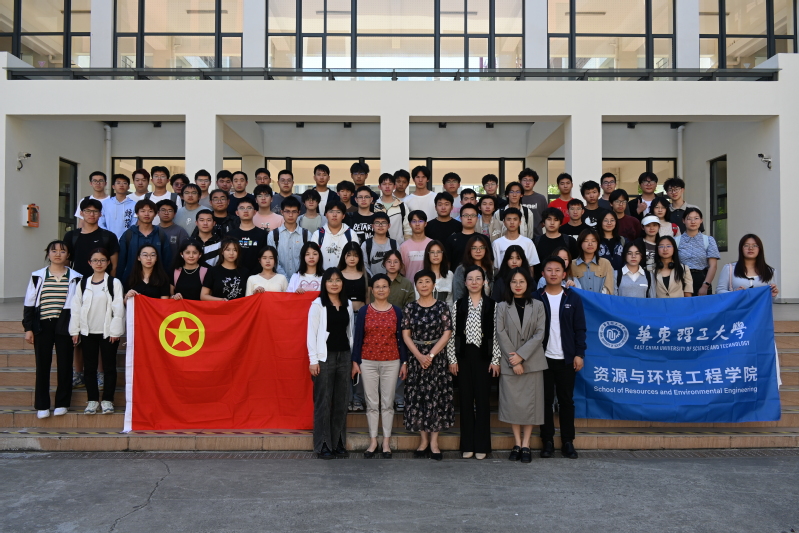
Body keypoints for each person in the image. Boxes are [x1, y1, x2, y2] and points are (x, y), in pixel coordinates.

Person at [533, 256, 586, 460]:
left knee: (566, 401)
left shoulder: (573, 298)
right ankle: (547, 441)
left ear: (564, 274)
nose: (553, 273)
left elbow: (580, 329)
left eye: (557, 270)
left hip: (567, 359)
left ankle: (567, 441)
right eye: (549, 270)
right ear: (543, 274)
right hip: (542, 358)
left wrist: (579, 354)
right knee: (545, 401)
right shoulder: (536, 297)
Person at [351, 274, 408, 459]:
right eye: (377, 286)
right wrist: (355, 361)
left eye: (384, 286)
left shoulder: (397, 312)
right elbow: (358, 338)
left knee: (387, 403)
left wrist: (404, 362)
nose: (381, 289)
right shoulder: (364, 311)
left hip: (391, 362)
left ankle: (386, 443)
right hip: (367, 361)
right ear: (372, 290)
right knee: (372, 403)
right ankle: (373, 441)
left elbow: (402, 340)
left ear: (389, 290)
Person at [24, 240, 82, 419]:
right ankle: (42, 405)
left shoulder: (76, 277)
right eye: (54, 251)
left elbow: (79, 306)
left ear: (68, 255)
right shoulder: (37, 276)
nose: (58, 254)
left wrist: (76, 329)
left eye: (62, 251)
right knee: (42, 365)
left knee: (65, 365)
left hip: (66, 324)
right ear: (48, 254)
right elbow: (29, 302)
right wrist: (28, 328)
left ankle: (62, 403)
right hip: (43, 324)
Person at [447, 265, 500, 460]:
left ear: (484, 282)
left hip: (484, 357)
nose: (474, 282)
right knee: (466, 401)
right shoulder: (458, 305)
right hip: (463, 357)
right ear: (465, 282)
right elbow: (452, 335)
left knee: (483, 401)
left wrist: (496, 359)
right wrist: (452, 359)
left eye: (478, 278)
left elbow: (496, 335)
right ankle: (467, 444)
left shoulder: (493, 305)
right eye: (470, 279)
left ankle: (482, 445)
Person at [402, 269, 454, 461]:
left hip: (437, 358)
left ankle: (434, 443)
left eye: (427, 281)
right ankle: (423, 441)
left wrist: (430, 355)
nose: (424, 285)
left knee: (437, 399)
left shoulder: (442, 306)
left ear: (434, 285)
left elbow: (447, 333)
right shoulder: (410, 307)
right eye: (420, 282)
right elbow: (406, 334)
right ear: (415, 285)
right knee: (419, 399)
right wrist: (419, 356)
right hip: (416, 359)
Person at [496, 267, 546, 464]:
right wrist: (514, 359)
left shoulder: (538, 305)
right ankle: (516, 443)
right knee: (513, 405)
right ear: (509, 284)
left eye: (521, 281)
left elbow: (540, 333)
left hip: (532, 362)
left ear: (528, 283)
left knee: (530, 406)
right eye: (514, 281)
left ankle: (526, 444)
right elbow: (500, 333)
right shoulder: (502, 306)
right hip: (510, 363)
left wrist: (522, 356)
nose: (518, 285)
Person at [68, 248, 124, 415]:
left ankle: (107, 400)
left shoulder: (114, 283)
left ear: (108, 262)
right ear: (89, 263)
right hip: (87, 332)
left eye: (102, 260)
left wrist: (115, 331)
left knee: (109, 367)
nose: (99, 263)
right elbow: (76, 308)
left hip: (108, 333)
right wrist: (75, 330)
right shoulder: (83, 283)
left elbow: (118, 309)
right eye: (95, 260)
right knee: (90, 368)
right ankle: (92, 400)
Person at [307, 268, 354, 459]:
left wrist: (353, 359)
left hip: (344, 357)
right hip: (324, 358)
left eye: (338, 280)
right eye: (330, 280)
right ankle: (324, 444)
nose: (334, 284)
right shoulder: (318, 305)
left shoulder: (348, 304)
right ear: (324, 283)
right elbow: (311, 334)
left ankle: (338, 441)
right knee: (324, 402)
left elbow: (350, 332)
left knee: (342, 401)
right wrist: (313, 360)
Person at [117, 200, 171, 288]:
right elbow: (121, 262)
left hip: (157, 283)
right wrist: (119, 284)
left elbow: (167, 261)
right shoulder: (129, 234)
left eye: (150, 211)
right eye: (142, 211)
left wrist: (167, 283)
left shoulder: (161, 234)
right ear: (137, 213)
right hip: (131, 282)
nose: (146, 214)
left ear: (155, 214)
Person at [64, 198, 120, 279]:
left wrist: (111, 283)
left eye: (95, 211)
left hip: (102, 283)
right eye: (88, 211)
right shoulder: (71, 236)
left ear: (100, 214)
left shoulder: (109, 236)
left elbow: (114, 266)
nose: (91, 214)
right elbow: (66, 263)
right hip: (77, 282)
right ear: (81, 213)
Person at [675, 207, 719, 296]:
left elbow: (713, 266)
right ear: (683, 221)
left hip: (702, 279)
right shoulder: (675, 241)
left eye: (696, 218)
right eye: (689, 218)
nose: (693, 221)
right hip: (681, 280)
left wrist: (705, 286)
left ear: (701, 220)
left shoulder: (709, 240)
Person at [268, 196, 310, 280]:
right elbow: (272, 259)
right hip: (279, 280)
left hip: (301, 280)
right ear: (282, 212)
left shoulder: (306, 234)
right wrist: (285, 279)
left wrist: (296, 279)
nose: (290, 215)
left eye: (294, 211)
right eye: (287, 211)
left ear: (299, 212)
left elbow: (309, 259)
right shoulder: (273, 235)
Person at [533, 207, 578, 280]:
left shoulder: (570, 241)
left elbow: (575, 263)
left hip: (565, 282)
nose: (552, 223)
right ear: (543, 222)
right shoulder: (535, 241)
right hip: (540, 283)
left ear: (560, 223)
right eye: (549, 219)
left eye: (556, 220)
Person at [226, 198, 269, 275]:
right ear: (237, 213)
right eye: (242, 208)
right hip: (234, 275)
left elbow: (265, 257)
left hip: (257, 276)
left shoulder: (263, 234)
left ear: (255, 212)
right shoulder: (230, 235)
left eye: (249, 208)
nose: (245, 211)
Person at [311, 202, 355, 269]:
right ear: (326, 215)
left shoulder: (351, 234)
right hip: (323, 274)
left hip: (345, 274)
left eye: (338, 212)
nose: (334, 215)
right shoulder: (318, 234)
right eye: (331, 212)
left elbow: (355, 257)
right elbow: (312, 258)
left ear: (343, 216)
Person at [452, 234, 494, 302]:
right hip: (466, 307)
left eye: (481, 247)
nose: (478, 251)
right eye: (474, 248)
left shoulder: (491, 269)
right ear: (469, 250)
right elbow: (458, 295)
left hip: (488, 307)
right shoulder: (461, 269)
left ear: (486, 249)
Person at [572, 229, 614, 294]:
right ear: (580, 243)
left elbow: (609, 287)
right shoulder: (572, 264)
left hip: (600, 300)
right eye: (586, 241)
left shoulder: (605, 263)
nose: (590, 244)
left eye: (593, 241)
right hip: (579, 300)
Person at [374, 172, 411, 243]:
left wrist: (406, 245)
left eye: (390, 184)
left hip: (398, 246)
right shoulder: (374, 206)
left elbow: (407, 229)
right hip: (378, 246)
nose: (387, 187)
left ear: (394, 186)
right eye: (384, 184)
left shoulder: (402, 206)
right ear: (379, 187)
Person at [99, 174, 135, 239]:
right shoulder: (105, 203)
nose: (121, 185)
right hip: (108, 238)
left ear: (128, 187)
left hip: (127, 239)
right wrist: (108, 235)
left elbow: (134, 223)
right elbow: (100, 222)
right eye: (118, 183)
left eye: (124, 183)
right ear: (113, 186)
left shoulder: (134, 204)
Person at [399, 210, 432, 281]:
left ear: (425, 223)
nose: (417, 224)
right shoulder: (403, 247)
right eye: (414, 221)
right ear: (410, 224)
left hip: (429, 285)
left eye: (420, 221)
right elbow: (402, 271)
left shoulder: (432, 244)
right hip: (409, 286)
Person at [361, 212, 397, 276]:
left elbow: (398, 265)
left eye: (384, 223)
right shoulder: (366, 245)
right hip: (372, 281)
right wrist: (373, 279)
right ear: (372, 226)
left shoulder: (394, 244)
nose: (380, 225)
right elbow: (364, 266)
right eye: (377, 223)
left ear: (389, 226)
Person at [156, 199, 190, 265]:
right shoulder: (153, 230)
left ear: (174, 214)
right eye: (163, 210)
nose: (166, 213)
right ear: (158, 213)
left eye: (170, 210)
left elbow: (186, 251)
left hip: (174, 267)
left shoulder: (180, 231)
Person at [339, 241, 370, 313]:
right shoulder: (338, 275)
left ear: (360, 257)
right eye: (349, 255)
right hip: (343, 314)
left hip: (361, 314)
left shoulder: (365, 275)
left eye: (355, 255)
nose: (352, 258)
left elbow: (368, 297)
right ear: (344, 256)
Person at [420, 240, 454, 304]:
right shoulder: (420, 274)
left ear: (443, 254)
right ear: (428, 255)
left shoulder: (449, 275)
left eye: (438, 252)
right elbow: (417, 299)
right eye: (432, 252)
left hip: (444, 310)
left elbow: (450, 300)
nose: (435, 255)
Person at [446, 203, 478, 270]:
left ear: (477, 218)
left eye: (472, 215)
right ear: (460, 218)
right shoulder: (452, 239)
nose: (469, 218)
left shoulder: (482, 239)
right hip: (456, 275)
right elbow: (447, 263)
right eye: (466, 215)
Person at [519, 168, 547, 236]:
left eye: (530, 180)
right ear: (520, 181)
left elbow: (546, 217)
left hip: (537, 235)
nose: (527, 183)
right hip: (518, 235)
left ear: (534, 183)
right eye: (524, 180)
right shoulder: (516, 197)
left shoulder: (541, 198)